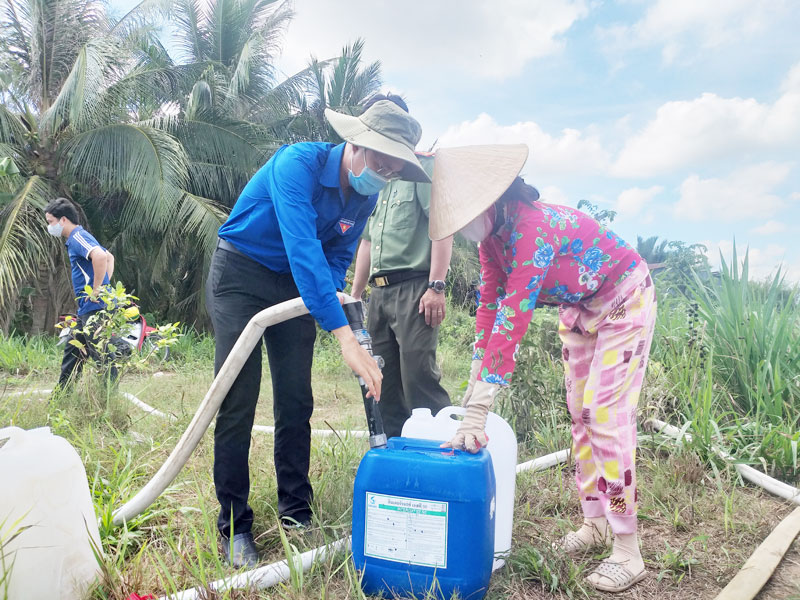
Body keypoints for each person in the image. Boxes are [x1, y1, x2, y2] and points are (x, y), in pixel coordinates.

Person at [206, 99, 428, 567]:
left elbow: (334, 261)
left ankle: (296, 513)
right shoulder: (297, 164)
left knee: (296, 398)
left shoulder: (366, 195)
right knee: (237, 398)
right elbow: (305, 249)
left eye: (393, 169)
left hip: (295, 285)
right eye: (380, 160)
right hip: (241, 274)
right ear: (355, 142)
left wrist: (341, 312)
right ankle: (233, 527)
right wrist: (344, 337)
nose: (383, 173)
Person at [430, 145, 656, 593]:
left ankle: (628, 548)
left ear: (491, 198)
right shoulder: (493, 240)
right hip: (580, 311)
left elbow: (514, 315)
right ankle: (595, 524)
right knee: (580, 415)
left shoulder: (534, 227)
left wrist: (481, 407)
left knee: (605, 416)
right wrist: (474, 386)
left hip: (624, 300)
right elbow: (489, 306)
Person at [350, 96, 453, 438]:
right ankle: (394, 453)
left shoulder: (423, 171)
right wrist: (355, 297)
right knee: (380, 380)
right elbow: (366, 241)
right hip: (378, 296)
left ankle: (442, 452)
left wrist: (436, 286)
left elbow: (441, 227)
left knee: (418, 378)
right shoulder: (374, 179)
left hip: (414, 290)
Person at [44, 198, 117, 388]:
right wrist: (103, 286)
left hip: (95, 307)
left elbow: (101, 256)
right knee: (73, 351)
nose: (49, 226)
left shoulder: (77, 237)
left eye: (51, 221)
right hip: (88, 307)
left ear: (63, 220)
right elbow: (109, 257)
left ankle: (110, 398)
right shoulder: (78, 238)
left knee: (101, 355)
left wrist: (98, 289)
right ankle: (62, 396)